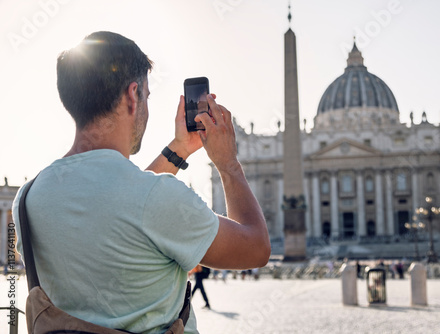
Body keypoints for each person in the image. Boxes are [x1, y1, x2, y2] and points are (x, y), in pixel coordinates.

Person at [12, 31, 270, 334]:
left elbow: (124, 202)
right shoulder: (157, 198)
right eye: (146, 96)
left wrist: (179, 150)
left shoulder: (28, 198)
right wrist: (228, 165)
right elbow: (255, 248)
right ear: (132, 95)